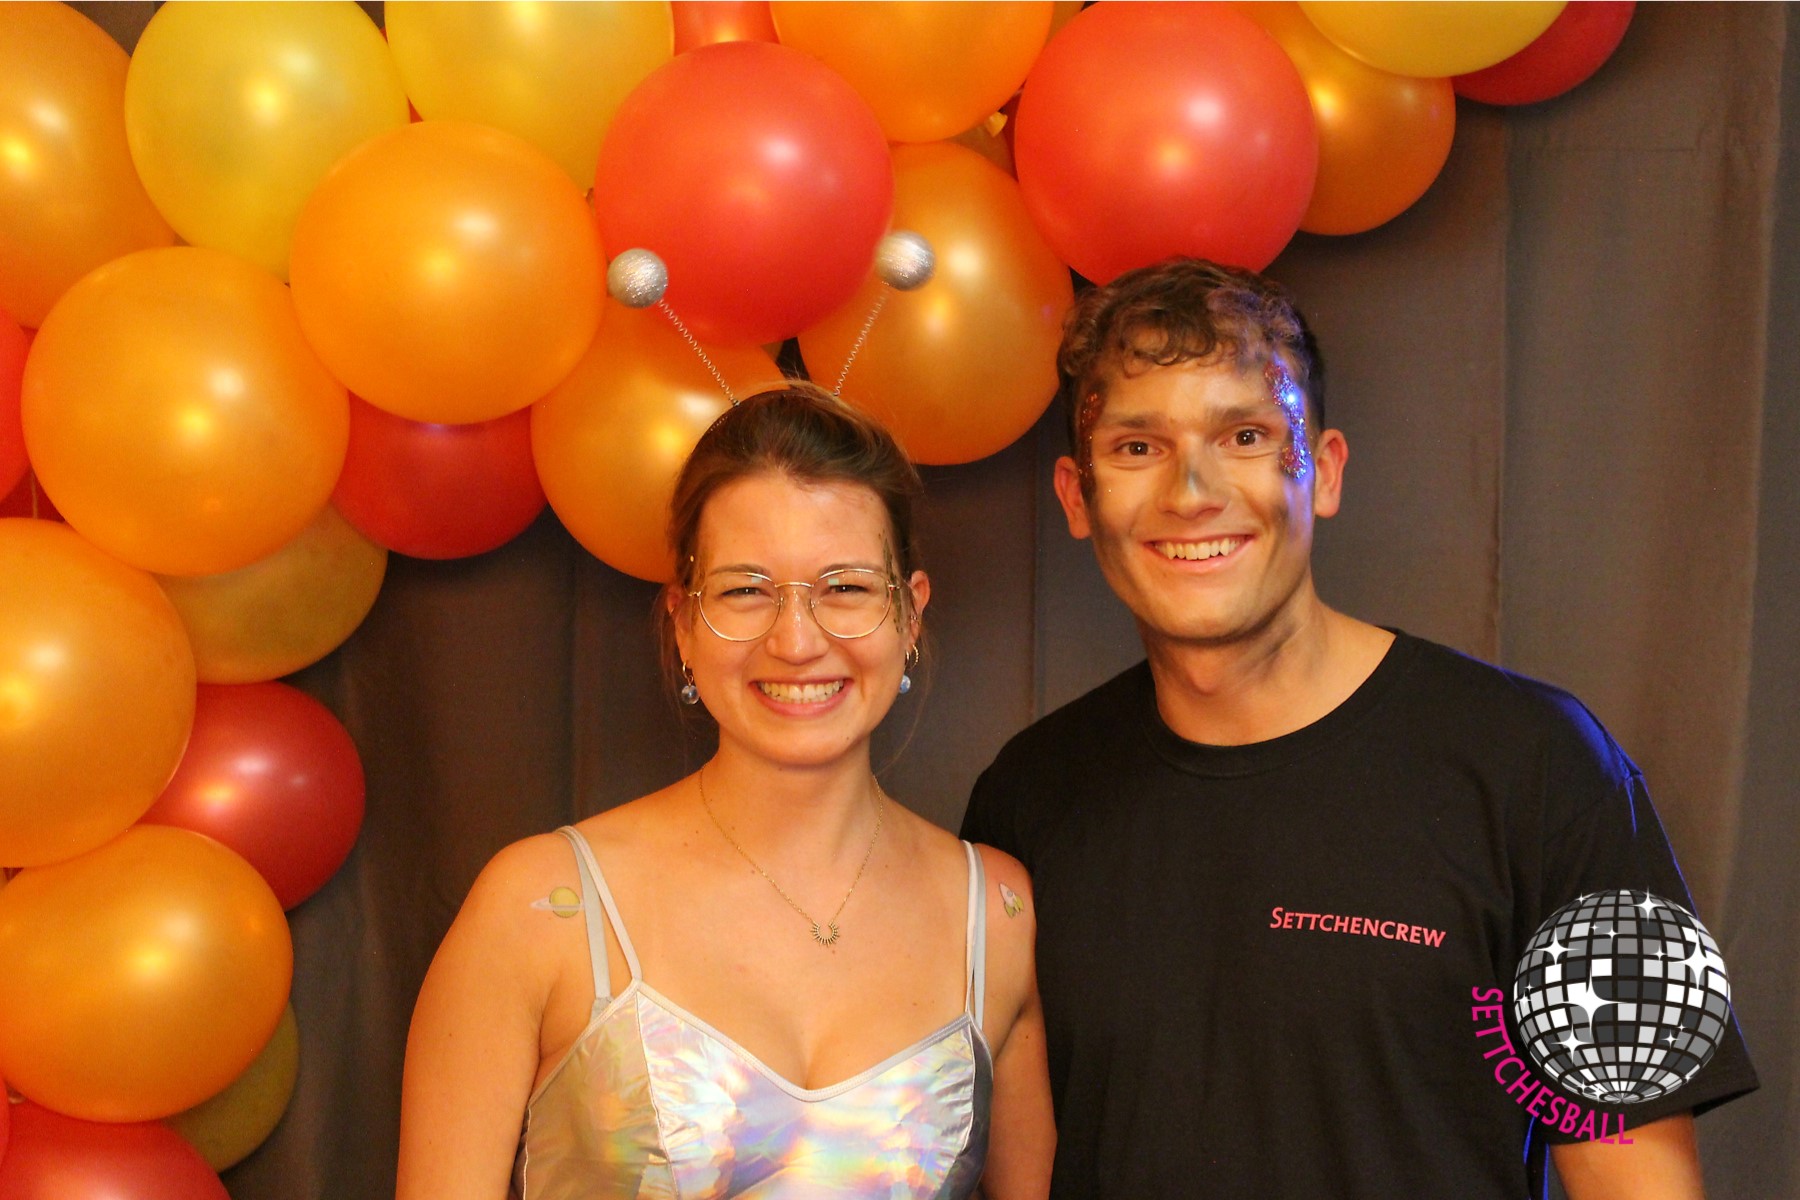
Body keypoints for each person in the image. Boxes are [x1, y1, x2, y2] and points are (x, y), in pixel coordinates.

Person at [959, 259, 1758, 1200]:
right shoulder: (1028, 799)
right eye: (1138, 447)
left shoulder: (1544, 766)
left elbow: (1638, 1184)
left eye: (1246, 436)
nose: (1192, 491)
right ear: (1075, 495)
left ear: (1325, 471)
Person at [399, 384, 1053, 1200]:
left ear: (909, 614)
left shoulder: (997, 915)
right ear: (683, 621)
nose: (796, 640)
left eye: (845, 587)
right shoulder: (538, 908)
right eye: (746, 590)